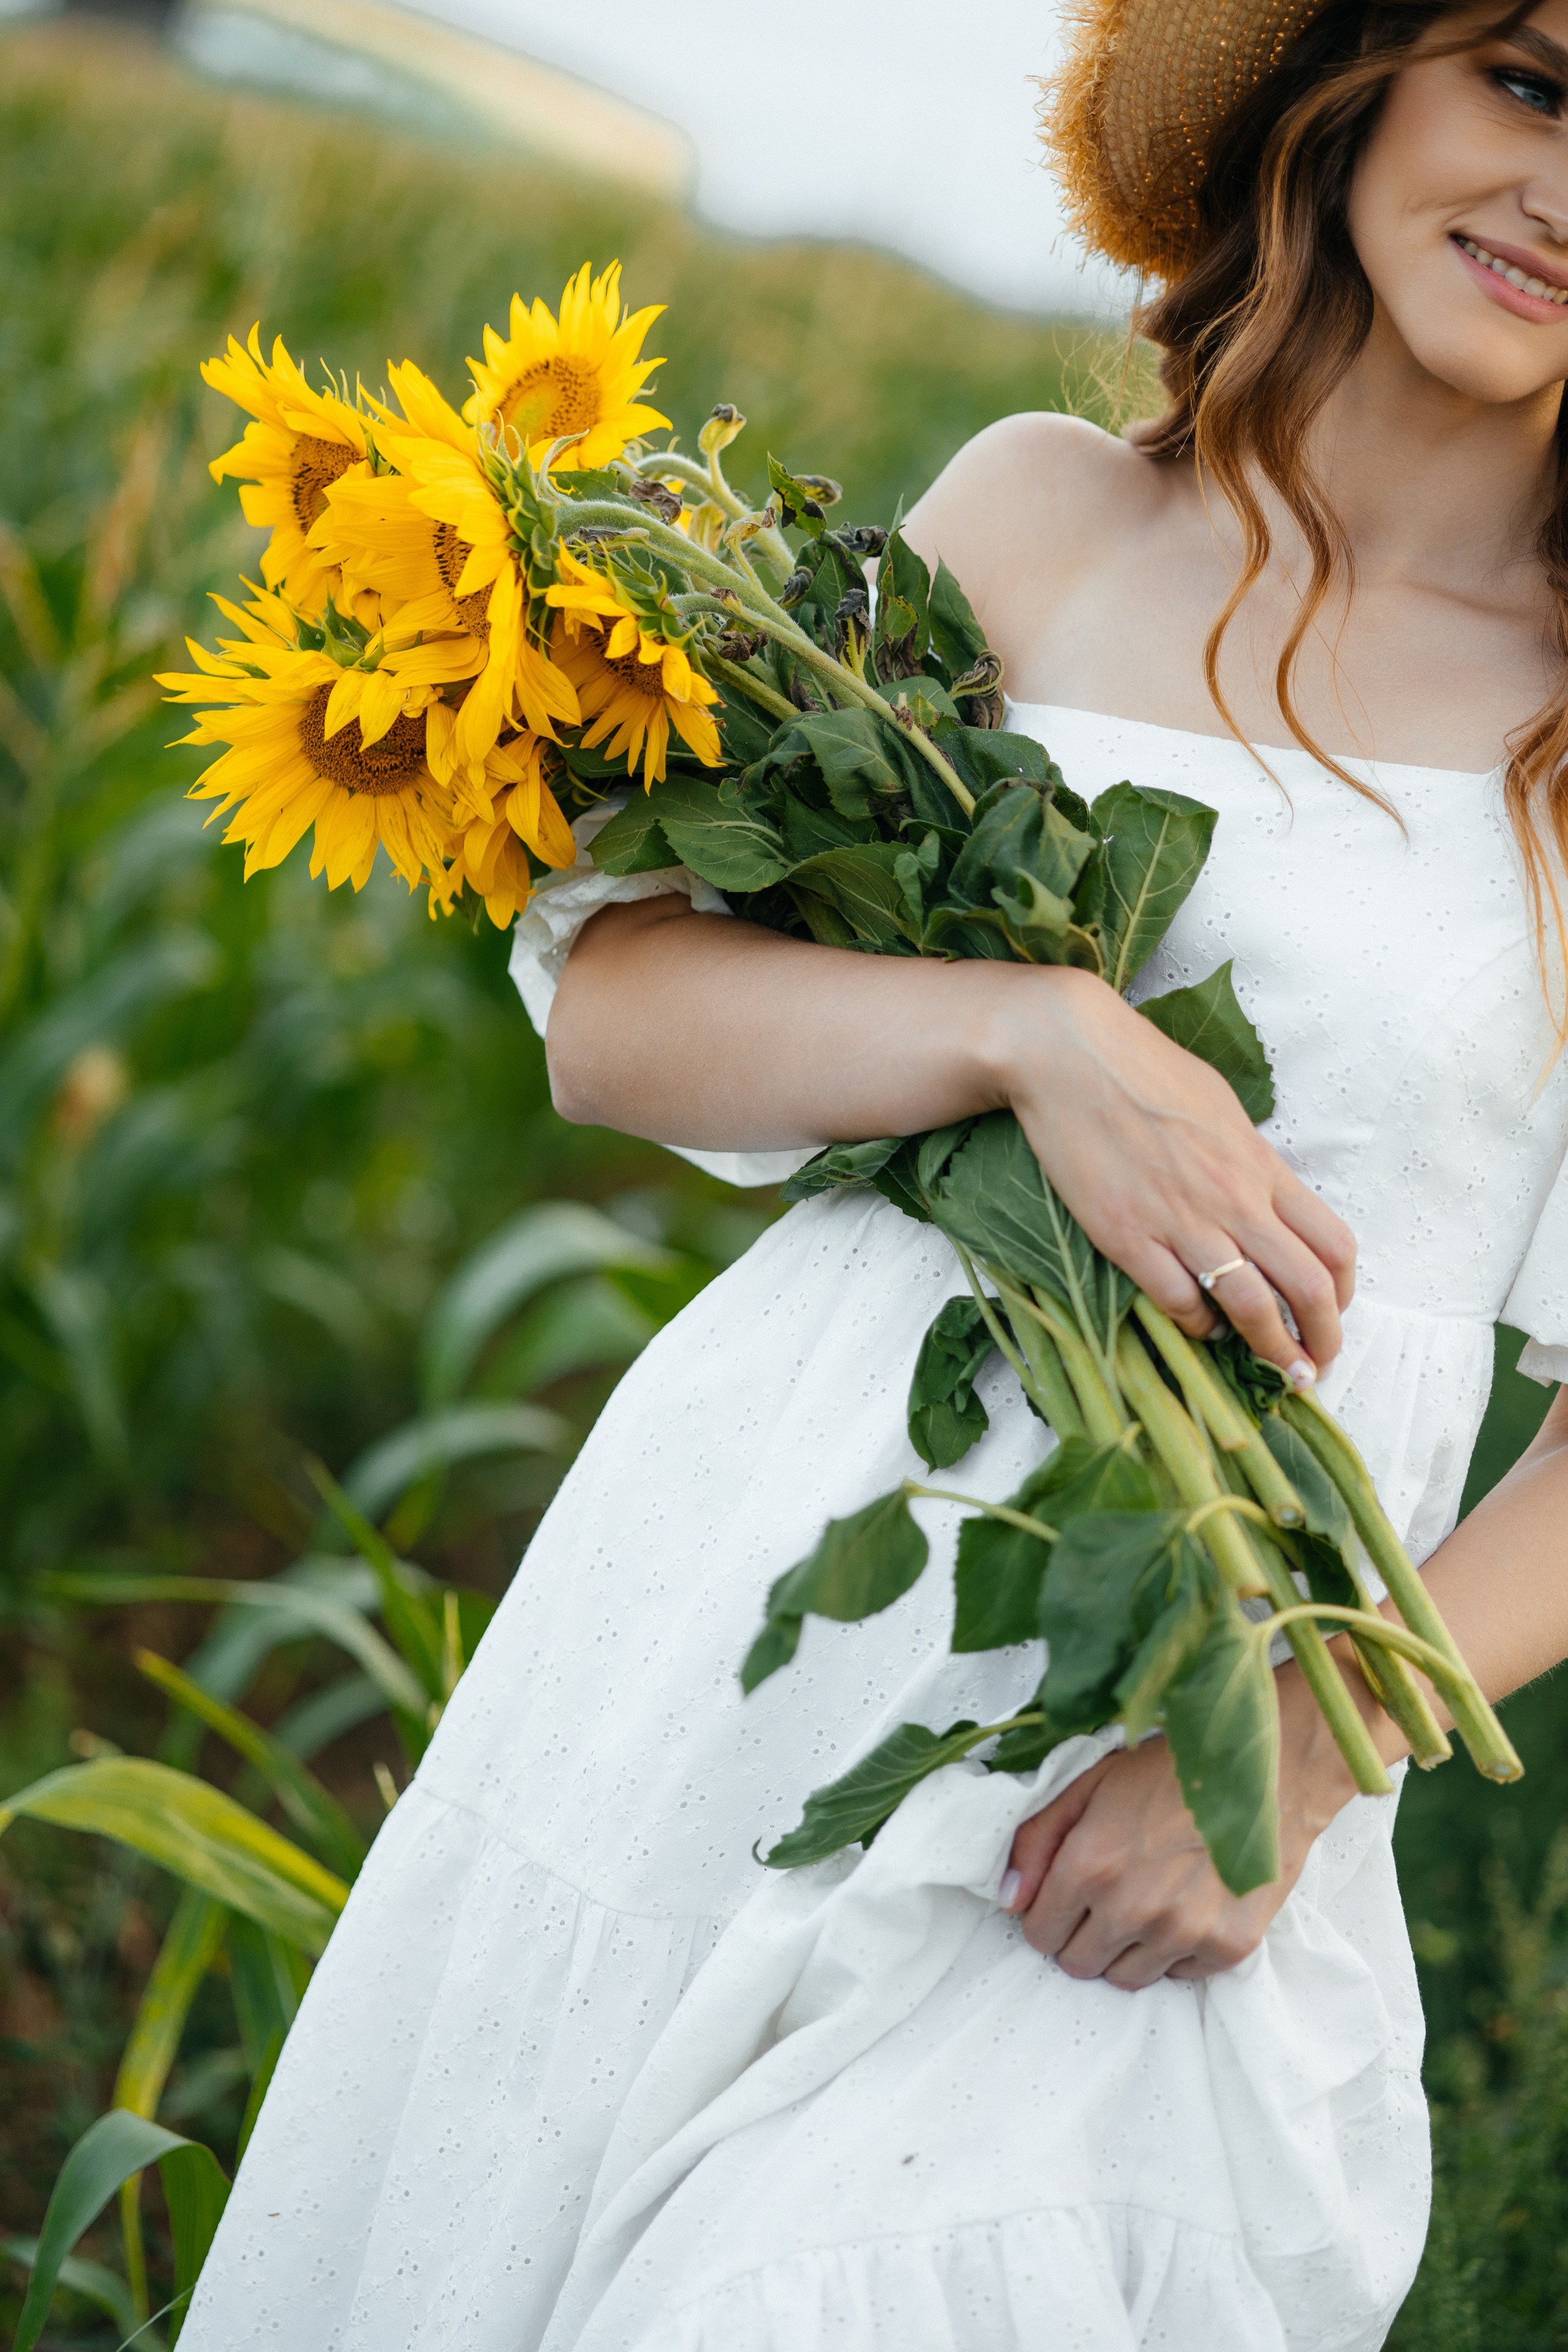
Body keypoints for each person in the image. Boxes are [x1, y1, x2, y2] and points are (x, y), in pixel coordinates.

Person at [184, 1, 1568, 2344]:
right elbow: (621, 1012)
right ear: (1354, 85)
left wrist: (1300, 1755)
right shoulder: (1047, 510)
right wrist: (1031, 1034)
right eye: (1532, 81)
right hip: (735, 1614)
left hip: (1163, 1739)